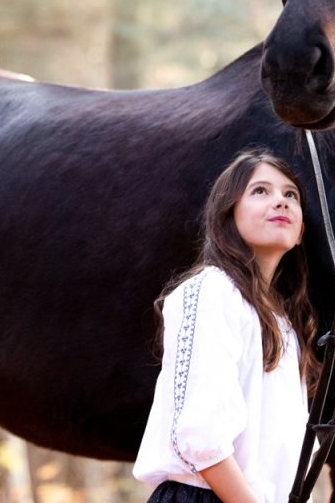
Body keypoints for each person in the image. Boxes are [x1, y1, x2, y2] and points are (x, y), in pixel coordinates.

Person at [134, 147, 318, 503]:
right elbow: (202, 437)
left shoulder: (285, 323)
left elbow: (285, 455)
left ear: (300, 233)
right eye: (260, 191)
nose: (280, 201)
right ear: (227, 214)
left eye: (290, 194)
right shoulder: (211, 292)